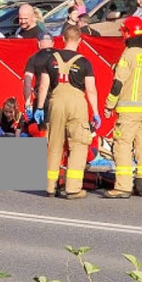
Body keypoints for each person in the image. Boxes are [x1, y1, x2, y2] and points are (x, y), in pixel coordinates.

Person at [35, 26, 99, 199]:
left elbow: (43, 86)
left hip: (56, 103)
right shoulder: (85, 62)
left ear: (62, 39)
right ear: (80, 41)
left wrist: (40, 107)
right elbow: (91, 90)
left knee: (54, 144)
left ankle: (50, 186)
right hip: (77, 104)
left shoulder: (51, 59)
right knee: (78, 145)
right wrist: (96, 112)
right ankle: (73, 188)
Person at [103, 16, 142, 198]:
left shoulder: (128, 55)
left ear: (128, 33)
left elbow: (117, 84)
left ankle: (122, 187)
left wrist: (108, 105)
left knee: (122, 146)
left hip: (129, 112)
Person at [22, 32, 56, 118]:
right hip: (60, 97)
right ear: (52, 43)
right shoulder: (61, 56)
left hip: (42, 99)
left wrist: (27, 103)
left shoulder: (33, 58)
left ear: (39, 44)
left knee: (42, 129)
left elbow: (27, 82)